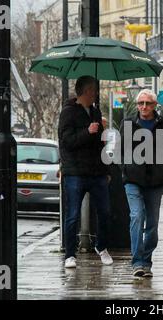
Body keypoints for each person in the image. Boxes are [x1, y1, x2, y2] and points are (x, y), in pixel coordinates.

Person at [58, 76, 113, 269]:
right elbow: (66, 141)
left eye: (95, 90)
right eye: (91, 90)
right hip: (75, 172)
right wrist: (87, 132)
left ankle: (102, 247)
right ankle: (70, 254)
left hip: (96, 171)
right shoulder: (68, 113)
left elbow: (99, 145)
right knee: (72, 214)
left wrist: (105, 168)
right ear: (82, 92)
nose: (94, 93)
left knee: (105, 212)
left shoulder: (96, 112)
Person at [120, 89, 163, 278]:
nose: (144, 107)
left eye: (148, 103)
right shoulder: (128, 123)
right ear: (137, 105)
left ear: (154, 105)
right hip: (133, 180)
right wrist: (126, 168)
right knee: (136, 216)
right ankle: (137, 262)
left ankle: (146, 260)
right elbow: (120, 150)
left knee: (152, 224)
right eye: (141, 103)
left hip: (155, 181)